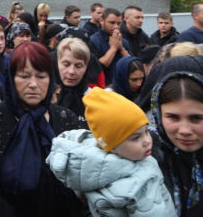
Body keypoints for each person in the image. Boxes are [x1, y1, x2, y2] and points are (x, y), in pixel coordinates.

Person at [0, 41, 84, 216]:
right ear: (11, 79)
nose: (33, 84)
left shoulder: (67, 120)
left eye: (41, 76)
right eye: (24, 76)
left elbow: (81, 184)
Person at [47, 88, 175, 216]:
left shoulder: (90, 168)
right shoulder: (139, 182)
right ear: (111, 146)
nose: (147, 140)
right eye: (136, 137)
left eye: (146, 131)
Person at [150, 71, 203, 216]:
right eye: (173, 117)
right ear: (158, 117)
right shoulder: (143, 157)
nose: (185, 130)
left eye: (196, 118)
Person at [52, 37, 91, 120]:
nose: (71, 71)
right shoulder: (45, 97)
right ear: (57, 63)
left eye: (78, 66)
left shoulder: (92, 100)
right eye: (66, 65)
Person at [90, 8, 131, 86]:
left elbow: (132, 66)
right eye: (112, 23)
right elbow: (97, 68)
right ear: (101, 21)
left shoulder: (124, 42)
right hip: (103, 89)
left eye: (119, 24)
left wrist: (121, 49)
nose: (116, 27)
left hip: (122, 88)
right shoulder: (93, 40)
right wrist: (113, 49)